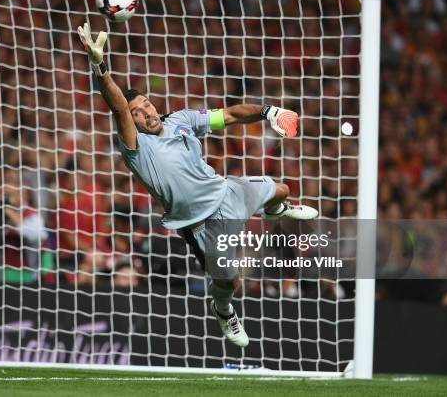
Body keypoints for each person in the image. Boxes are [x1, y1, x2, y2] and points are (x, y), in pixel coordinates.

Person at [77, 22, 318, 348]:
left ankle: (276, 210)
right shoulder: (136, 148)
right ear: (130, 121)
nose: (144, 110)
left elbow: (230, 116)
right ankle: (222, 309)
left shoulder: (182, 120)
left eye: (146, 103)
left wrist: (268, 111)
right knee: (229, 280)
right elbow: (117, 104)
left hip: (227, 190)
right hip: (200, 223)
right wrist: (99, 65)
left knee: (282, 191)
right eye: (135, 112)